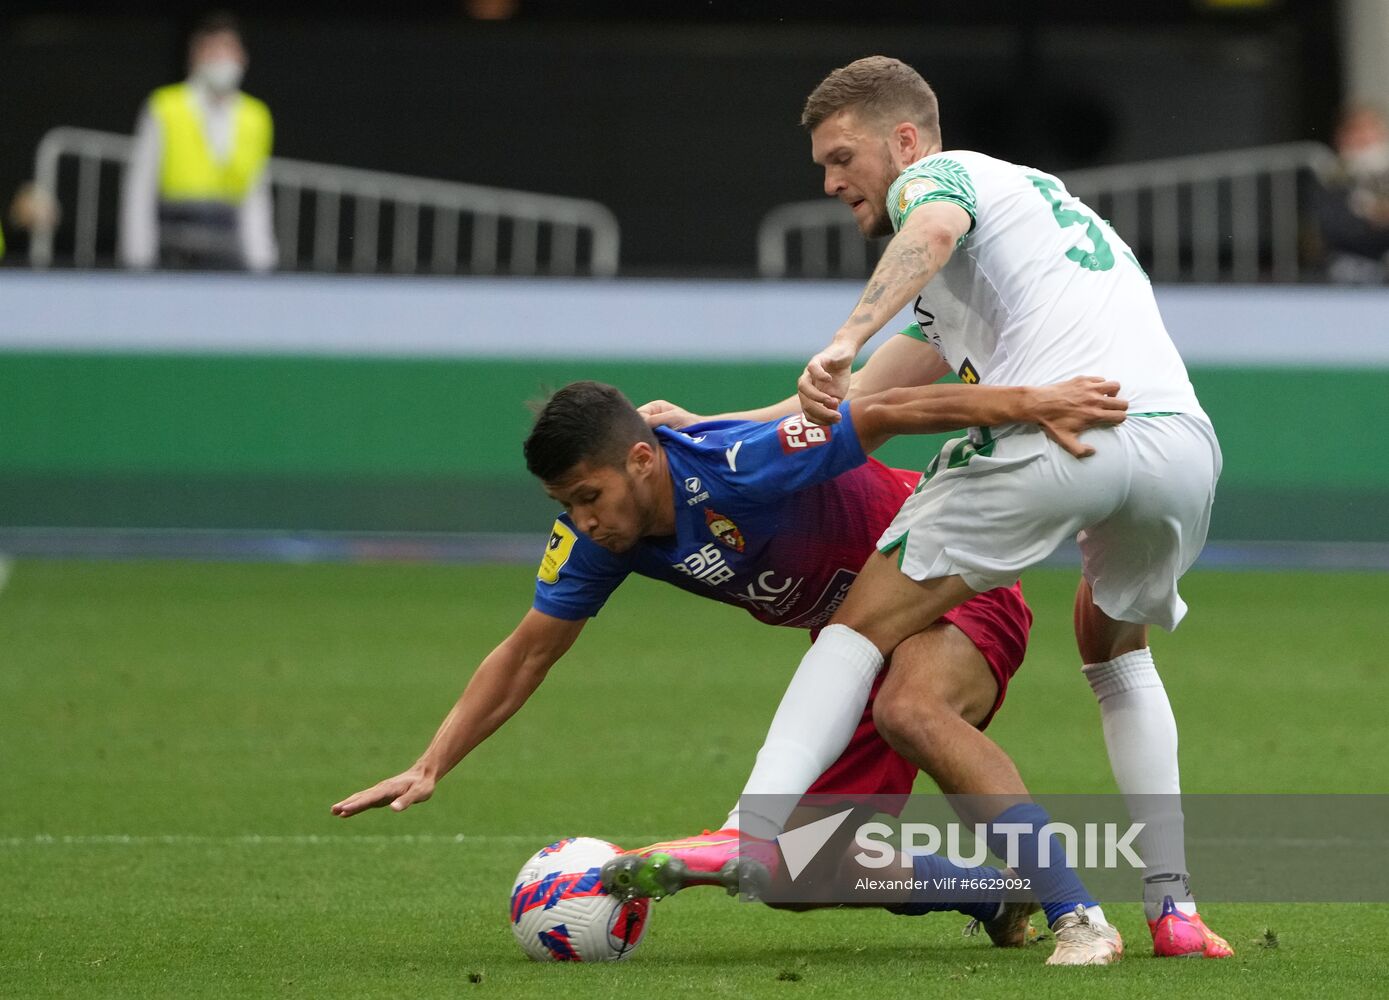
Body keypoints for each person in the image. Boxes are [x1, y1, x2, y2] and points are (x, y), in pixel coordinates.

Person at [630, 56, 1232, 965]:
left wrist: (843, 333)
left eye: (841, 158)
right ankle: (1174, 913)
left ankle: (747, 830)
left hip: (1058, 437)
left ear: (903, 139)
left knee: (857, 628)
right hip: (1177, 451)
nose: (832, 183)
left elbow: (932, 231)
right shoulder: (1019, 232)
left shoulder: (943, 178)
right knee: (1115, 660)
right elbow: (852, 408)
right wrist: (704, 424)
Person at [332, 376, 1126, 945]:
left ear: (642, 461)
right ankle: (991, 894)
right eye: (564, 505)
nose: (581, 519)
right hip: (850, 645)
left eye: (586, 494)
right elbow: (525, 652)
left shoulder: (737, 463)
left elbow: (880, 410)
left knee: (908, 709)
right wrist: (432, 763)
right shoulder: (599, 539)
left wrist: (1030, 403)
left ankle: (1077, 914)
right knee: (791, 874)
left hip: (948, 575)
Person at [119, 12, 276, 272]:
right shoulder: (166, 106)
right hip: (176, 242)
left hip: (228, 244)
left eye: (227, 48)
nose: (220, 58)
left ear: (242, 56)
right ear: (195, 55)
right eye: (212, 49)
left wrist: (263, 262)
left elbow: (256, 196)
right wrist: (137, 259)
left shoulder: (255, 116)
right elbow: (140, 188)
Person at [1316, 104, 1389, 284]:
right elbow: (1335, 229)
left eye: (1368, 131)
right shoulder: (1333, 178)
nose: (1363, 139)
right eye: (1356, 132)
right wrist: (1375, 220)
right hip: (1353, 265)